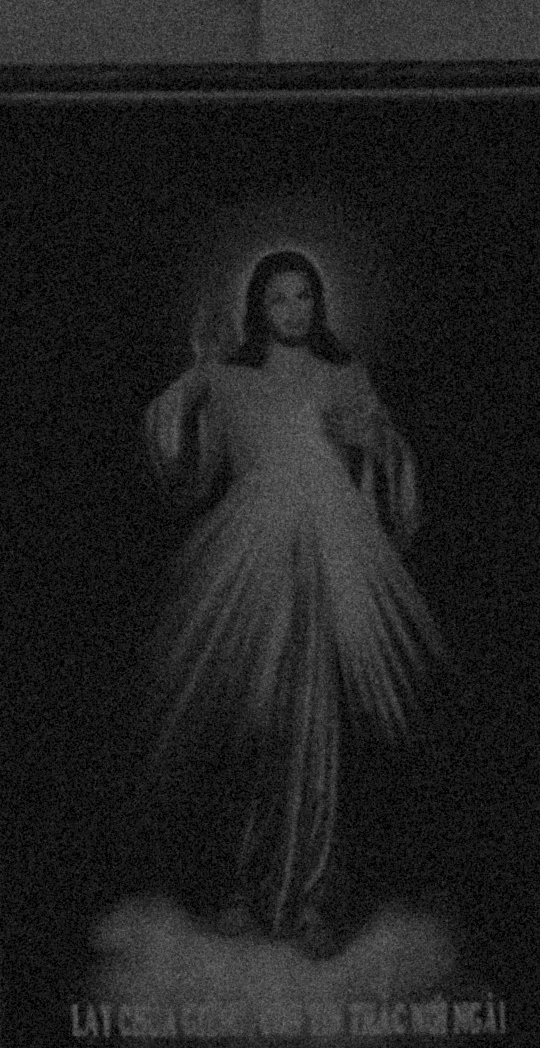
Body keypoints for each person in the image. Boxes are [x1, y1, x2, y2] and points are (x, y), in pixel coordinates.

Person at [139, 248, 442, 953]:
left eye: (304, 297)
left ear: (319, 304)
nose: (294, 311)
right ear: (258, 309)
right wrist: (195, 370)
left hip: (327, 569)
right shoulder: (230, 379)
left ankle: (306, 894)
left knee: (316, 729)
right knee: (254, 727)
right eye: (279, 299)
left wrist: (376, 446)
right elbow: (172, 444)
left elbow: (388, 464)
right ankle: (250, 886)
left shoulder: (345, 378)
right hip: (247, 567)